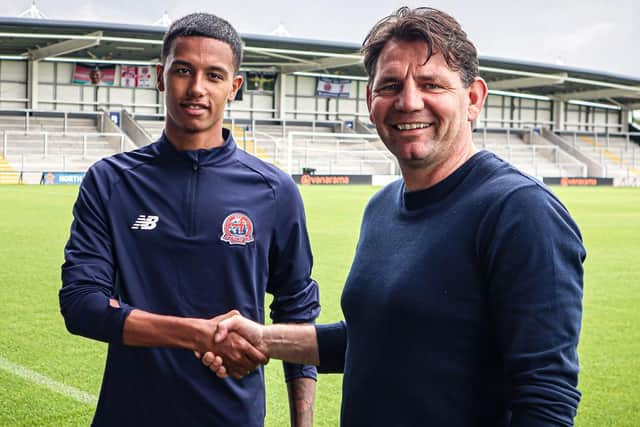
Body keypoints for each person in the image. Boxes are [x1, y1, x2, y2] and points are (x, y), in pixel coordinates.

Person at [202, 7, 586, 426]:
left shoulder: (520, 211)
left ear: (473, 99)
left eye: (430, 84)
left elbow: (546, 398)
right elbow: (376, 339)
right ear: (370, 101)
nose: (408, 102)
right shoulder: (383, 206)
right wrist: (265, 338)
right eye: (390, 85)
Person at [59, 13, 320, 427]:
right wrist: (197, 334)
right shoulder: (110, 182)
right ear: (160, 77)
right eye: (183, 70)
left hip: (233, 416)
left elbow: (297, 310)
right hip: (129, 415)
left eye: (214, 75)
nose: (196, 88)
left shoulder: (274, 190)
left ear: (234, 87)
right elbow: (81, 305)